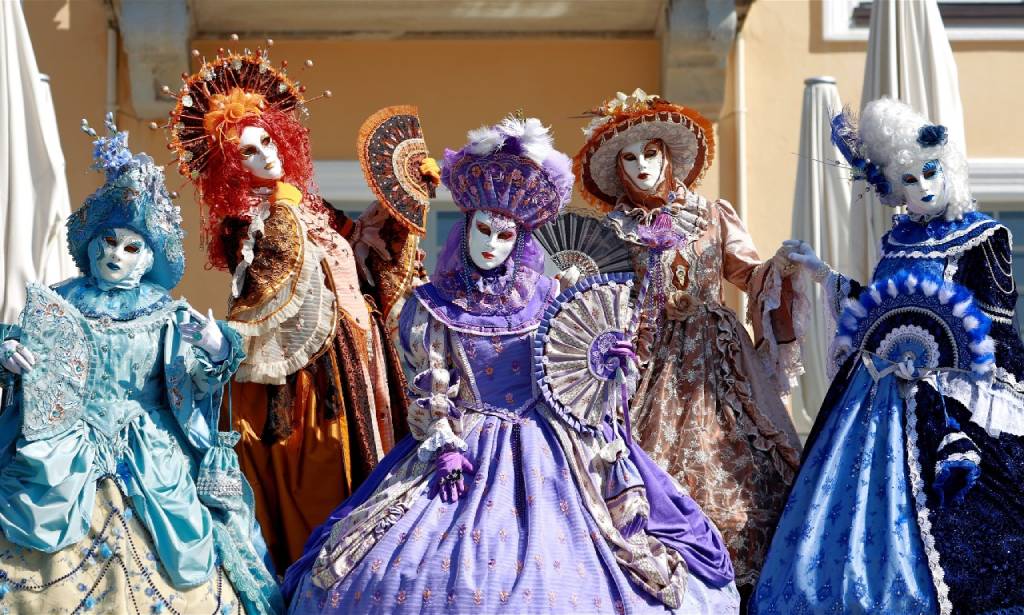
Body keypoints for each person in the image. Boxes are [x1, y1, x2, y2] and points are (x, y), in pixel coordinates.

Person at [283, 115, 740, 613]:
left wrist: (606, 364)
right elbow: (431, 391)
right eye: (483, 231)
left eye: (504, 236)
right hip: (464, 441)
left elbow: (572, 377)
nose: (491, 245)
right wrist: (444, 445)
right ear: (466, 227)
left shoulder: (549, 297)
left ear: (520, 241)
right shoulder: (433, 307)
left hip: (551, 447)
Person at [167, 45, 437, 570]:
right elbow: (269, 281)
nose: (265, 156)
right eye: (248, 152)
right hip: (309, 376)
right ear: (231, 166)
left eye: (267, 141)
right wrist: (284, 212)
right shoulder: (245, 222)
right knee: (326, 476)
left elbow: (359, 251)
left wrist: (400, 208)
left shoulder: (308, 204)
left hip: (363, 355)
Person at [0, 114, 280, 614]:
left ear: (149, 258)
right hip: (64, 449)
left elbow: (195, 381)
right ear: (92, 244)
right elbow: (27, 357)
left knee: (180, 555)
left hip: (150, 450)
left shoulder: (166, 315)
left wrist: (216, 348)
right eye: (109, 242)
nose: (117, 254)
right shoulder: (57, 303)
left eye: (132, 247)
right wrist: (9, 355)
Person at [753, 98, 1024, 614]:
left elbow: (995, 332)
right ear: (893, 189)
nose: (923, 187)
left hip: (944, 398)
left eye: (930, 172)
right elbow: (875, 309)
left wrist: (951, 374)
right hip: (874, 390)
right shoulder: (897, 240)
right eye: (908, 180)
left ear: (947, 167)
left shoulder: (983, 239)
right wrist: (820, 271)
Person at [572, 88, 806, 596]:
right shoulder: (611, 231)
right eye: (629, 158)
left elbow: (748, 275)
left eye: (650, 153)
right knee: (646, 478)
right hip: (646, 363)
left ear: (668, 157)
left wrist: (779, 268)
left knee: (748, 483)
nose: (641, 166)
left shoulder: (711, 215)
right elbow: (599, 299)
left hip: (719, 363)